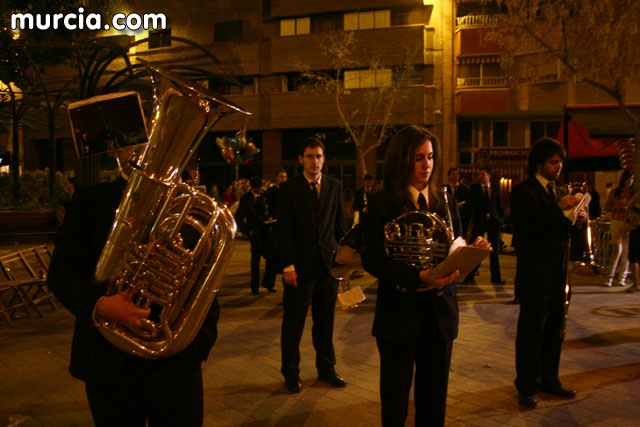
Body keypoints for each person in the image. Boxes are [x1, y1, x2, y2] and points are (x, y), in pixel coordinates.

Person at [46, 148, 220, 426]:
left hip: (176, 361)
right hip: (109, 360)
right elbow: (61, 274)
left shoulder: (191, 206)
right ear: (118, 148)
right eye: (138, 135)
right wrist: (101, 305)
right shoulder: (89, 201)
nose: (149, 143)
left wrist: (199, 343)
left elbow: (206, 278)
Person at [362, 125, 490, 426]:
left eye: (431, 157)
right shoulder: (382, 203)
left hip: (440, 315)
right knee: (394, 402)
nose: (427, 165)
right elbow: (374, 259)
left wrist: (472, 252)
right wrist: (419, 275)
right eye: (418, 158)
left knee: (434, 403)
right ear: (402, 160)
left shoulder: (444, 202)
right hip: (399, 315)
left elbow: (453, 247)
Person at [510, 138, 578, 409]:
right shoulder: (523, 191)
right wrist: (558, 210)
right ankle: (527, 385)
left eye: (560, 161)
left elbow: (559, 230)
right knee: (531, 331)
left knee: (554, 329)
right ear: (539, 163)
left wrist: (575, 218)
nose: (558, 166)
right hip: (534, 273)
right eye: (553, 161)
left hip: (558, 271)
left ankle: (550, 379)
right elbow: (527, 230)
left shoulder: (558, 190)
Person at [276, 137, 347, 393]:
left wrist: (345, 261)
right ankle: (291, 373)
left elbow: (340, 228)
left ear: (324, 159)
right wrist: (287, 266)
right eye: (309, 156)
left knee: (325, 322)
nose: (314, 161)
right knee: (293, 323)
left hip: (327, 267)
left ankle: (326, 369)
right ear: (300, 159)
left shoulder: (335, 186)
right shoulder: (288, 189)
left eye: (318, 156)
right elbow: (283, 231)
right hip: (299, 268)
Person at [464, 167, 506, 285]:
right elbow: (469, 206)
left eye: (482, 174)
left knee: (494, 251)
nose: (480, 176)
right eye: (479, 174)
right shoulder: (474, 189)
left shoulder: (496, 188)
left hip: (493, 223)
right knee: (476, 250)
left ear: (489, 175)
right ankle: (469, 275)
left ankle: (496, 278)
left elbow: (499, 204)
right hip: (479, 222)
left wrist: (500, 219)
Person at [235, 176, 276, 294]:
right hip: (255, 233)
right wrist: (247, 230)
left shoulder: (265, 196)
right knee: (255, 261)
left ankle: (269, 284)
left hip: (266, 231)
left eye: (260, 188)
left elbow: (270, 210)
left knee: (271, 258)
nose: (259, 190)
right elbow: (238, 217)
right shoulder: (245, 199)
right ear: (252, 188)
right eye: (257, 188)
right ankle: (255, 286)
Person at [604, 171, 634, 287]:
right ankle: (610, 277)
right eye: (628, 179)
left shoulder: (633, 193)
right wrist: (620, 206)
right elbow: (608, 207)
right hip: (617, 220)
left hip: (628, 222)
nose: (629, 182)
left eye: (631, 179)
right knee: (617, 249)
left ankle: (622, 277)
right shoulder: (615, 192)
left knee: (626, 251)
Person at [445, 167, 470, 237]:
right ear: (449, 176)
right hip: (448, 217)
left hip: (461, 217)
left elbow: (467, 203)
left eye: (457, 174)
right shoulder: (444, 188)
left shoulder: (464, 189)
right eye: (453, 174)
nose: (455, 176)